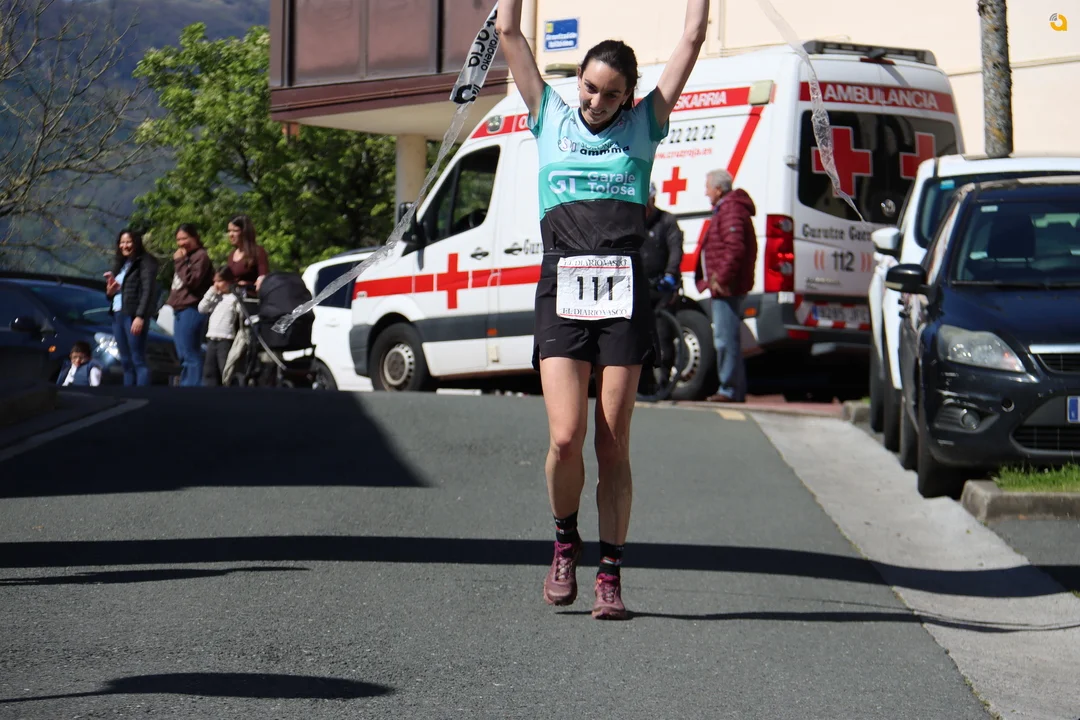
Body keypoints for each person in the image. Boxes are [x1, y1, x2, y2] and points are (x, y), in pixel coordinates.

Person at [496, 0, 709, 620]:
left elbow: (694, 37)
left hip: (623, 293)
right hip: (562, 285)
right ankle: (565, 541)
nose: (596, 101)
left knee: (613, 445)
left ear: (629, 97)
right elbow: (508, 30)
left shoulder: (646, 124)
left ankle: (610, 573)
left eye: (611, 94)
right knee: (566, 438)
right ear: (578, 81)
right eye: (589, 87)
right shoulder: (549, 114)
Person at [696, 169, 757, 403]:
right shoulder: (728, 208)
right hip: (727, 286)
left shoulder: (730, 210)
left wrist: (720, 278)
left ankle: (729, 390)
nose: (706, 192)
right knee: (729, 338)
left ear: (719, 189)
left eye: (708, 187)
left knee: (725, 339)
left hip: (727, 287)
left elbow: (734, 248)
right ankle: (734, 390)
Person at [641, 181, 685, 383]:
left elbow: (675, 249)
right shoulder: (633, 222)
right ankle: (645, 382)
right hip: (640, 288)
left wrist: (670, 273)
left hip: (662, 287)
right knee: (640, 338)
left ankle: (664, 378)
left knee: (663, 335)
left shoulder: (667, 221)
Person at [104, 228, 159, 386]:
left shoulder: (145, 262)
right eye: (122, 242)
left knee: (137, 359)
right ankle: (128, 395)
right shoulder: (121, 264)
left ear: (136, 243)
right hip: (118, 313)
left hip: (133, 315)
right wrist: (110, 292)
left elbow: (148, 291)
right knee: (125, 361)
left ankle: (141, 394)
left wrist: (140, 316)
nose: (125, 246)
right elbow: (115, 292)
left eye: (128, 242)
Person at [167, 223, 214, 387]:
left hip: (192, 308)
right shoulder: (185, 256)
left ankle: (193, 388)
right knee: (182, 353)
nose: (181, 243)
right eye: (178, 240)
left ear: (195, 237)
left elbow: (192, 281)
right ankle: (186, 385)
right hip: (179, 309)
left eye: (185, 238)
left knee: (190, 353)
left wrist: (180, 261)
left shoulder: (200, 256)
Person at [198, 266, 241, 386]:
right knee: (209, 371)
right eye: (214, 281)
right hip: (212, 338)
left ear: (228, 281)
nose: (216, 284)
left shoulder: (234, 298)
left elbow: (241, 312)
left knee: (225, 370)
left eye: (219, 281)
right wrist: (211, 292)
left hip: (225, 339)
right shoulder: (215, 297)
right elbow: (202, 308)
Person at [225, 215, 270, 295]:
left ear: (245, 232)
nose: (231, 234)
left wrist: (248, 286)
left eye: (235, 231)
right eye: (229, 231)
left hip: (249, 298)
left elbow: (262, 280)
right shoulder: (231, 255)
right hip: (231, 296)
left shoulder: (258, 252)